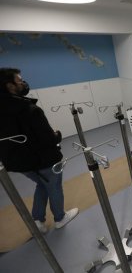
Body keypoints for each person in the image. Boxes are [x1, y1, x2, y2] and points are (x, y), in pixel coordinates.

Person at [0, 68, 78, 234]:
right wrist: (57, 135)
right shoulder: (29, 110)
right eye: (19, 80)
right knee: (53, 186)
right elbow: (47, 139)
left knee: (42, 184)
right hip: (43, 160)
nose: (23, 83)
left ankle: (37, 220)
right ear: (10, 86)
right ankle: (59, 218)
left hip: (19, 164)